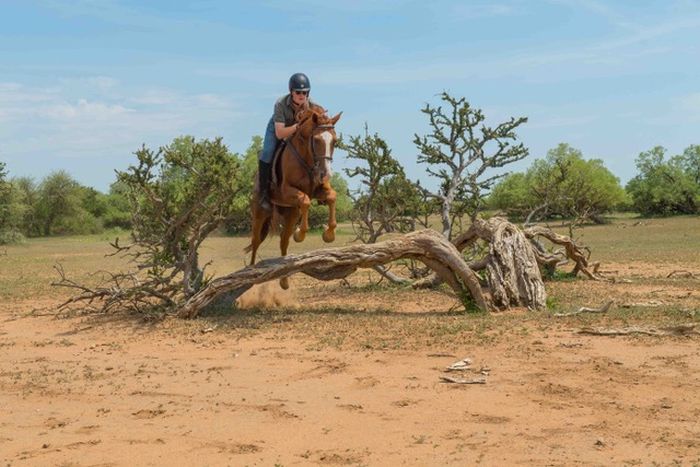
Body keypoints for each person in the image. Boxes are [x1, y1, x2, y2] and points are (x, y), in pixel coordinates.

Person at [258, 72, 319, 212]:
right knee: (267, 152)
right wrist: (298, 127)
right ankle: (263, 194)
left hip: (297, 132)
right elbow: (280, 134)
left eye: (305, 92)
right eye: (298, 92)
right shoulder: (280, 104)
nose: (302, 95)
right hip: (278, 128)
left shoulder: (313, 105)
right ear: (291, 92)